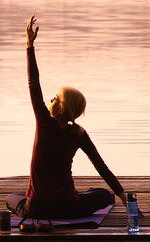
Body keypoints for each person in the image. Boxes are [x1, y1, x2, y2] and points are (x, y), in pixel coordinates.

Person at [6, 16, 128, 223]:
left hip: (36, 208)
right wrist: (121, 195)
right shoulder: (78, 133)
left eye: (54, 98)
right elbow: (101, 166)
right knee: (103, 194)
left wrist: (29, 45)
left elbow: (33, 83)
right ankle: (95, 195)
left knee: (12, 198)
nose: (50, 99)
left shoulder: (44, 122)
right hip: (69, 208)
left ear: (60, 106)